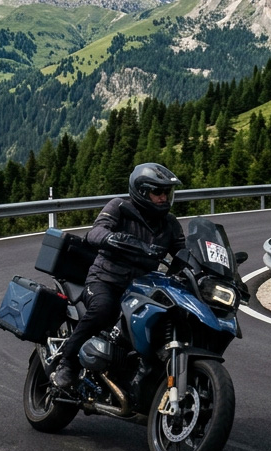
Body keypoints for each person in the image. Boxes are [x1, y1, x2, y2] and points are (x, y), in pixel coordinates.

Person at [51, 162, 185, 389]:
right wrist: (115, 239)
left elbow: (183, 253)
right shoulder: (119, 207)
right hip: (105, 280)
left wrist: (209, 270)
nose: (164, 197)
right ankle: (67, 364)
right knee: (103, 309)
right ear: (142, 192)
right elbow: (95, 232)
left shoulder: (169, 224)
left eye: (167, 192)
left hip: (142, 289)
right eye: (158, 192)